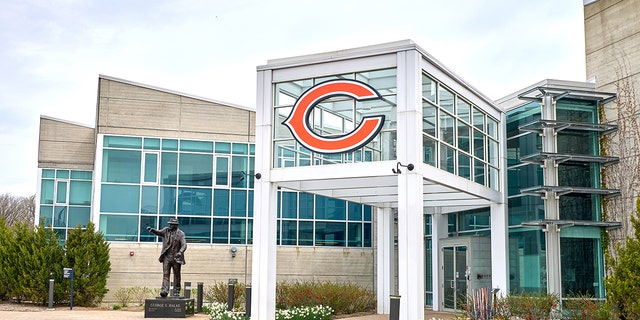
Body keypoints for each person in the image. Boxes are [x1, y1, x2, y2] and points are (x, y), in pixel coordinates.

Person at [147, 218, 187, 297]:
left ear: (175, 225)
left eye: (171, 224)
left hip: (176, 257)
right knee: (165, 274)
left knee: (176, 275)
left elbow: (184, 245)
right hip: (166, 257)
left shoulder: (181, 234)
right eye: (169, 224)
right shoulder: (166, 231)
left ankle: (176, 291)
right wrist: (152, 230)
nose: (169, 225)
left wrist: (180, 252)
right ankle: (164, 290)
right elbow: (158, 232)